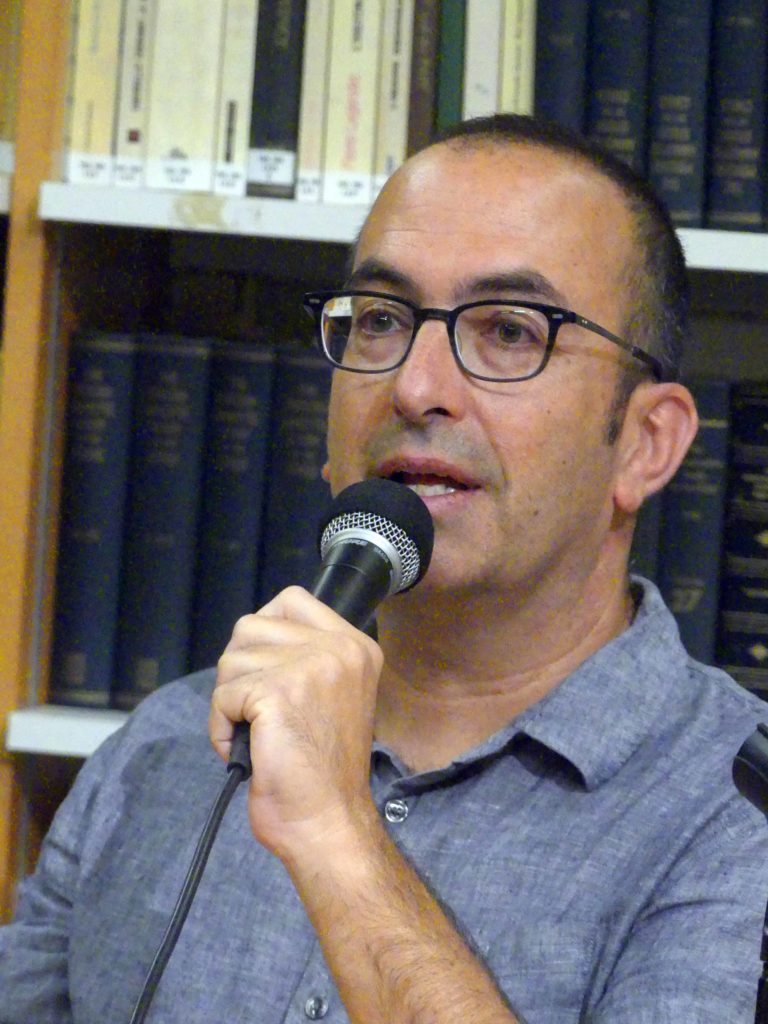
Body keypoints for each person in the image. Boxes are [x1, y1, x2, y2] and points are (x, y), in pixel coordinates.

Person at [2, 113, 768, 1024]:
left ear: (647, 443)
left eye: (510, 331)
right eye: (380, 320)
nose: (415, 387)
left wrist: (336, 833)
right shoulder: (166, 746)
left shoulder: (737, 809)